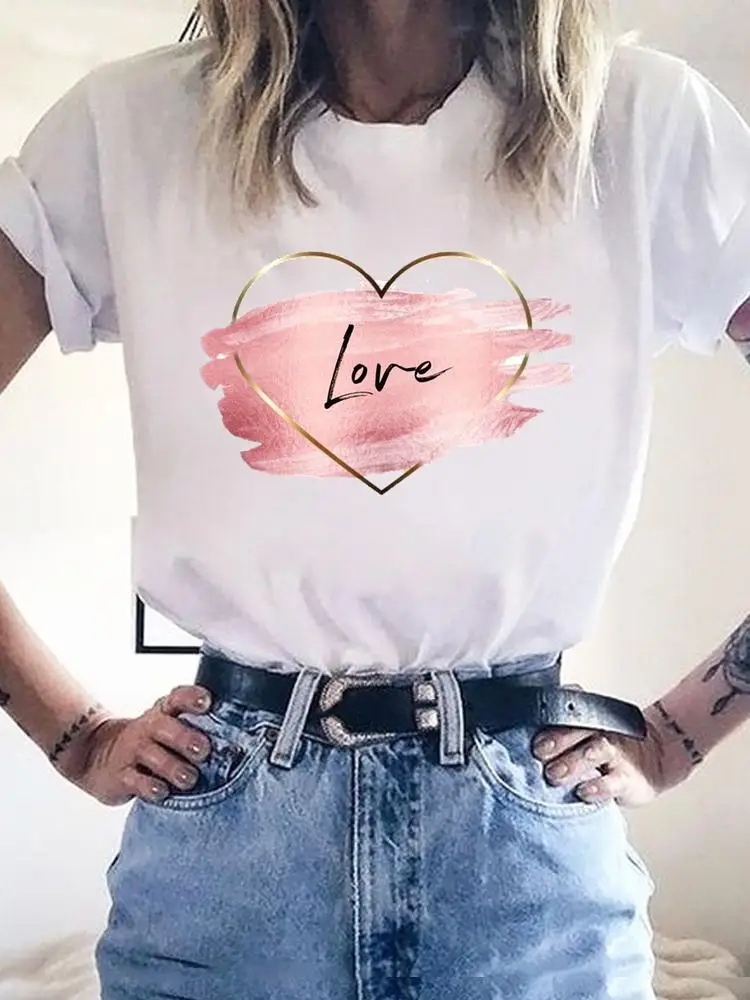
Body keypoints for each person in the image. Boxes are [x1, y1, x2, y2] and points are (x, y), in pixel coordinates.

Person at [1, 0, 749, 996]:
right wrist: (72, 734)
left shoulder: (647, 125)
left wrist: (679, 733)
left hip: (527, 859)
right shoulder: (126, 128)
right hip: (225, 862)